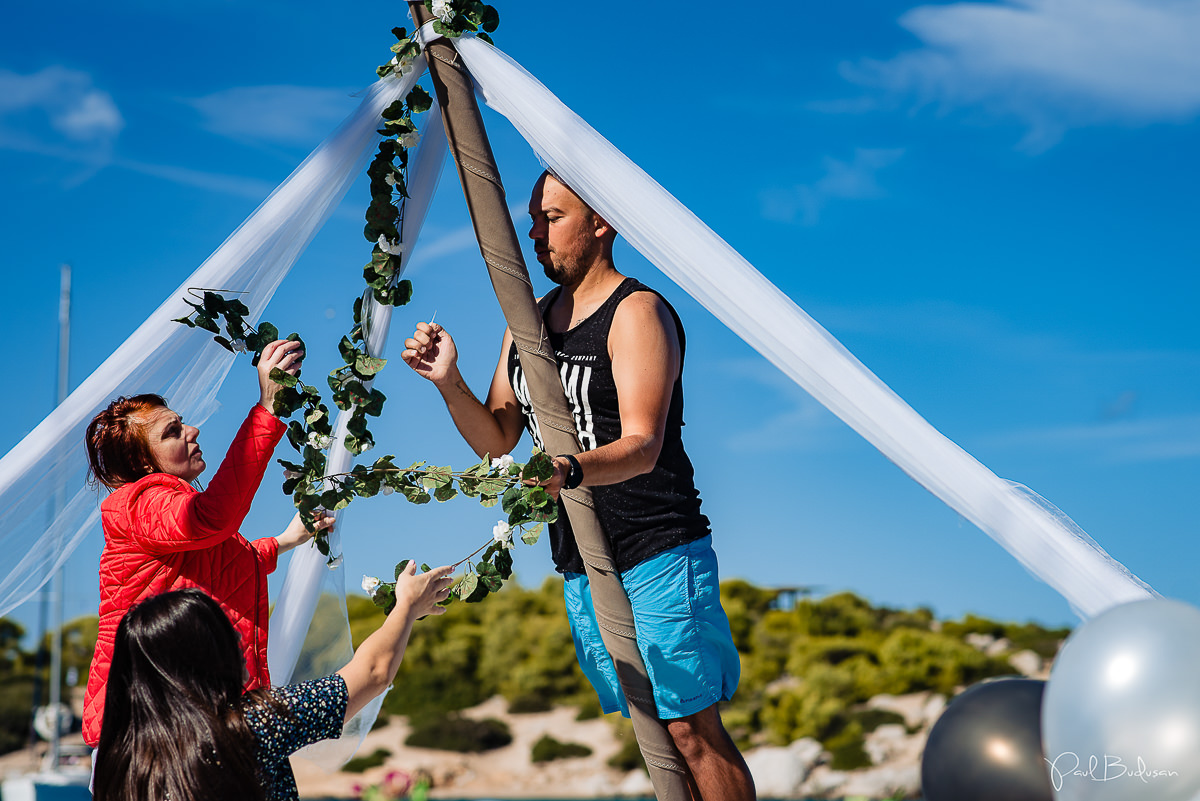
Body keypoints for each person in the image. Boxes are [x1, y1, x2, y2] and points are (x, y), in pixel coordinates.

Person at [402, 171, 755, 799]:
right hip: (580, 560)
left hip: (656, 545)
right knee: (653, 734)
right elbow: (497, 438)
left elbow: (643, 445)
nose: (536, 235)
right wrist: (448, 381)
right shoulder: (527, 324)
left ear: (602, 222)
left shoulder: (638, 311)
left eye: (553, 219)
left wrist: (565, 470)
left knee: (691, 731)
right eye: (533, 220)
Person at [82, 338, 334, 748]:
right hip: (149, 728)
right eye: (172, 431)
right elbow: (210, 520)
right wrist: (268, 409)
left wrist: (288, 540)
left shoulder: (168, 513)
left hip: (187, 716)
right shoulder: (137, 503)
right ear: (145, 463)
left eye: (182, 422)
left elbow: (221, 564)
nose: (192, 430)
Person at [93, 563, 454, 801]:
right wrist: (406, 605)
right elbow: (374, 672)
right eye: (224, 632)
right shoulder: (247, 727)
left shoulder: (117, 757)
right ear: (204, 655)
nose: (237, 639)